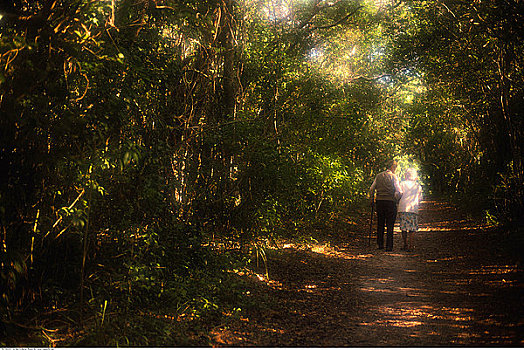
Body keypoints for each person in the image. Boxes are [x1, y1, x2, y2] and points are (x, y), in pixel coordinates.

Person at [369, 160, 402, 251]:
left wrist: (372, 199)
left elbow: (372, 188)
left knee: (380, 223)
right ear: (393, 167)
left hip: (380, 202)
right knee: (390, 225)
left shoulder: (378, 176)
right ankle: (389, 246)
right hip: (390, 202)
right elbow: (399, 191)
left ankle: (380, 244)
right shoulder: (394, 177)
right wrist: (397, 199)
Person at [397, 168, 423, 251]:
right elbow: (420, 197)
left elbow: (397, 194)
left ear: (406, 176)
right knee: (412, 228)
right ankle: (411, 246)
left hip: (403, 207)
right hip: (413, 208)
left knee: (403, 228)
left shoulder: (402, 184)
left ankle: (405, 244)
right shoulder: (417, 186)